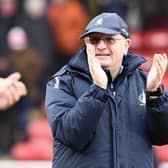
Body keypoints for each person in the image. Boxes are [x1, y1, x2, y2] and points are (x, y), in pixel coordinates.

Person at [45, 12, 168, 168]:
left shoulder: (144, 82)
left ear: (126, 45)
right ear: (86, 44)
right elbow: (71, 135)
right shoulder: (62, 82)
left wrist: (155, 95)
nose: (101, 46)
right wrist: (97, 89)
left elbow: (162, 136)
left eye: (109, 40)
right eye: (95, 40)